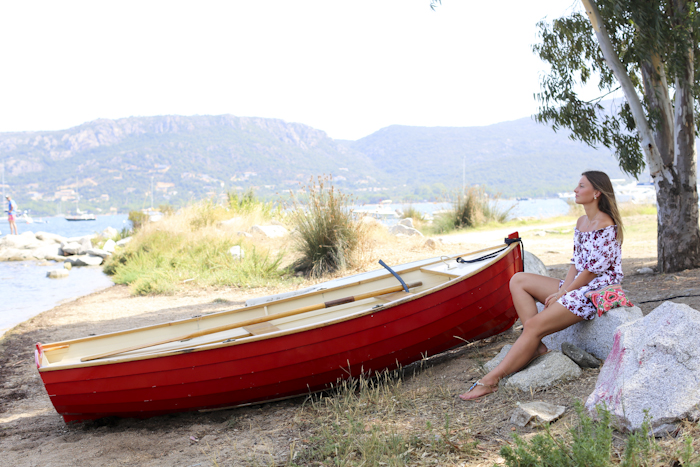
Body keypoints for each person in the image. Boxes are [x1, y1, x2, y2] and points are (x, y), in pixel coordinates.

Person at [459, 170, 624, 401]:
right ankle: (535, 344)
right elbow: (576, 264)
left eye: (581, 186)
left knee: (534, 325)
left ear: (596, 193)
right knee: (519, 280)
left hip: (594, 290)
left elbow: (591, 272)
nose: (575, 190)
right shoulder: (582, 222)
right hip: (577, 286)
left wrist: (563, 293)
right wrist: (562, 291)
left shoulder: (606, 223)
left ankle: (490, 381)